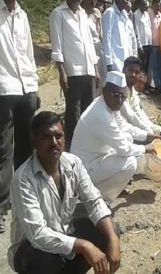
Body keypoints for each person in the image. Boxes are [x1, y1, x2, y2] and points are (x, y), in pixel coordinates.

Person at [8, 111, 120, 274]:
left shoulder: (73, 164)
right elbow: (38, 235)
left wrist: (113, 238)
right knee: (46, 261)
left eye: (58, 136)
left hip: (66, 235)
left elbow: (94, 202)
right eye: (46, 137)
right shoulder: (23, 179)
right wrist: (84, 245)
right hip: (32, 249)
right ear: (34, 141)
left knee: (109, 231)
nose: (54, 142)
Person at [71, 71, 156, 203]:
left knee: (127, 137)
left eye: (123, 96)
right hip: (85, 168)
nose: (120, 100)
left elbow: (125, 127)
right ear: (105, 92)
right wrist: (146, 148)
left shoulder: (107, 105)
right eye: (116, 95)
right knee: (130, 163)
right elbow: (124, 149)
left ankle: (100, 190)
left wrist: (149, 135)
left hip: (96, 158)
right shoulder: (101, 115)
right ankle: (98, 200)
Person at [0, 0, 39, 233]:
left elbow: (28, 54)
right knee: (3, 151)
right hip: (3, 90)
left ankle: (24, 199)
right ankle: (1, 208)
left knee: (27, 149)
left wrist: (34, 87)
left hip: (26, 89)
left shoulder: (21, 16)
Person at [50, 0, 100, 151]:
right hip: (72, 72)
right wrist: (61, 72)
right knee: (73, 114)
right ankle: (71, 149)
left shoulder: (84, 16)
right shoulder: (58, 14)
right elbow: (57, 46)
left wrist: (95, 69)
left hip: (88, 71)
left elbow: (89, 44)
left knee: (88, 113)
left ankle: (86, 149)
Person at [121, 56, 161, 141]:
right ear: (123, 70)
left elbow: (140, 116)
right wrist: (151, 133)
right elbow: (132, 118)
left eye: (136, 72)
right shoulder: (119, 92)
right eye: (130, 70)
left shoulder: (133, 92)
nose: (133, 75)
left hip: (131, 132)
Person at [102, 0, 135, 72]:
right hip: (115, 63)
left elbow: (127, 40)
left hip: (125, 61)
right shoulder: (110, 13)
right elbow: (106, 38)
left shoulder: (124, 15)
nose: (125, 0)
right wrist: (109, 62)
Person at [133, 0, 152, 78]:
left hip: (148, 44)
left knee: (147, 66)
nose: (146, 7)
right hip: (142, 45)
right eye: (144, 5)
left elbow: (149, 28)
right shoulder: (136, 14)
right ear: (140, 5)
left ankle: (145, 85)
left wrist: (151, 42)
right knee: (142, 66)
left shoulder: (146, 14)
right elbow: (136, 31)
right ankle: (140, 86)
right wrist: (139, 45)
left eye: (147, 6)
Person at [149, 0, 161, 91]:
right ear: (153, 5)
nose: (158, 7)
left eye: (159, 5)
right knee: (154, 66)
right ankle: (157, 86)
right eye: (156, 5)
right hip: (153, 44)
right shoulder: (148, 15)